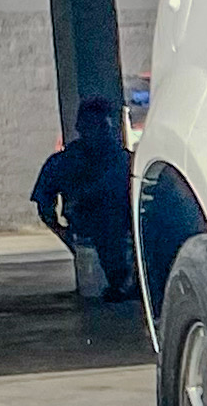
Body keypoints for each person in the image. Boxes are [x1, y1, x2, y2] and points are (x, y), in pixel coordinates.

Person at [31, 95, 139, 303]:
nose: (101, 133)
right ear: (81, 127)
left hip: (125, 231)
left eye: (104, 127)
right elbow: (44, 203)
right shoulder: (64, 162)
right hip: (89, 232)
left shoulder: (125, 160)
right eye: (94, 126)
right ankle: (121, 282)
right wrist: (65, 235)